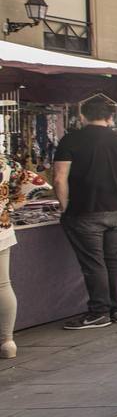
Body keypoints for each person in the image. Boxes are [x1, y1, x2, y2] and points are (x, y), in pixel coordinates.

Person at [53, 98, 117, 329]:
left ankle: (99, 312)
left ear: (82, 116)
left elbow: (59, 177)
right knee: (114, 260)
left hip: (84, 210)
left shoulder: (71, 140)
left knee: (94, 263)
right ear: (110, 118)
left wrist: (64, 205)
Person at [0, 153, 20, 359]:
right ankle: (7, 341)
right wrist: (9, 205)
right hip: (1, 228)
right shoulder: (6, 162)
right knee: (3, 285)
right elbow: (35, 183)